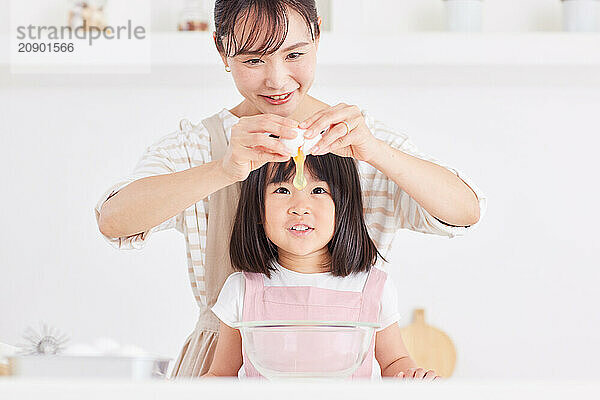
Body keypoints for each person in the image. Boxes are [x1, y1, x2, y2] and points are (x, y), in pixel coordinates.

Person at [95, 0, 486, 378]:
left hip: (343, 369)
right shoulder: (200, 146)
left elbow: (464, 211)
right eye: (253, 59)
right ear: (221, 49)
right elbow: (114, 220)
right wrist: (223, 170)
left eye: (294, 54)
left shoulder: (361, 141)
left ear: (317, 35)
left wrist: (377, 152)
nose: (277, 80)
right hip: (222, 369)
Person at [205, 153, 439, 380]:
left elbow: (394, 362)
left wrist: (411, 377)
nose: (300, 207)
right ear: (257, 209)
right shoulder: (242, 289)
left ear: (344, 206)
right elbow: (221, 374)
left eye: (318, 190)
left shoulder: (372, 287)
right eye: (282, 190)